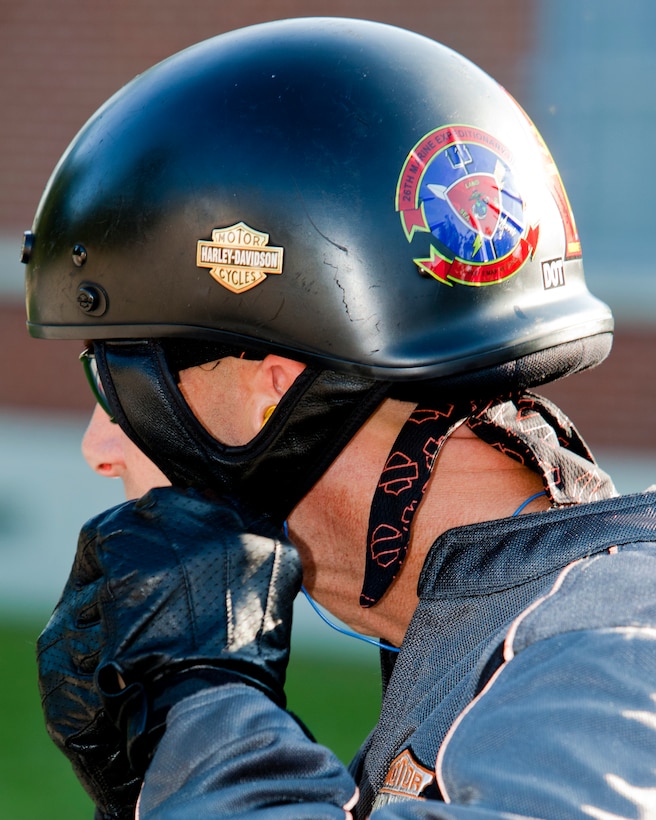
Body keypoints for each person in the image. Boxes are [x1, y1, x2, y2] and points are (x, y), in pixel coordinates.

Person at [23, 17, 656, 820]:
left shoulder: (614, 650)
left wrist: (198, 704)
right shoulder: (503, 631)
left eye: (123, 385)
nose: (98, 444)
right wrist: (154, 787)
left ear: (271, 385)